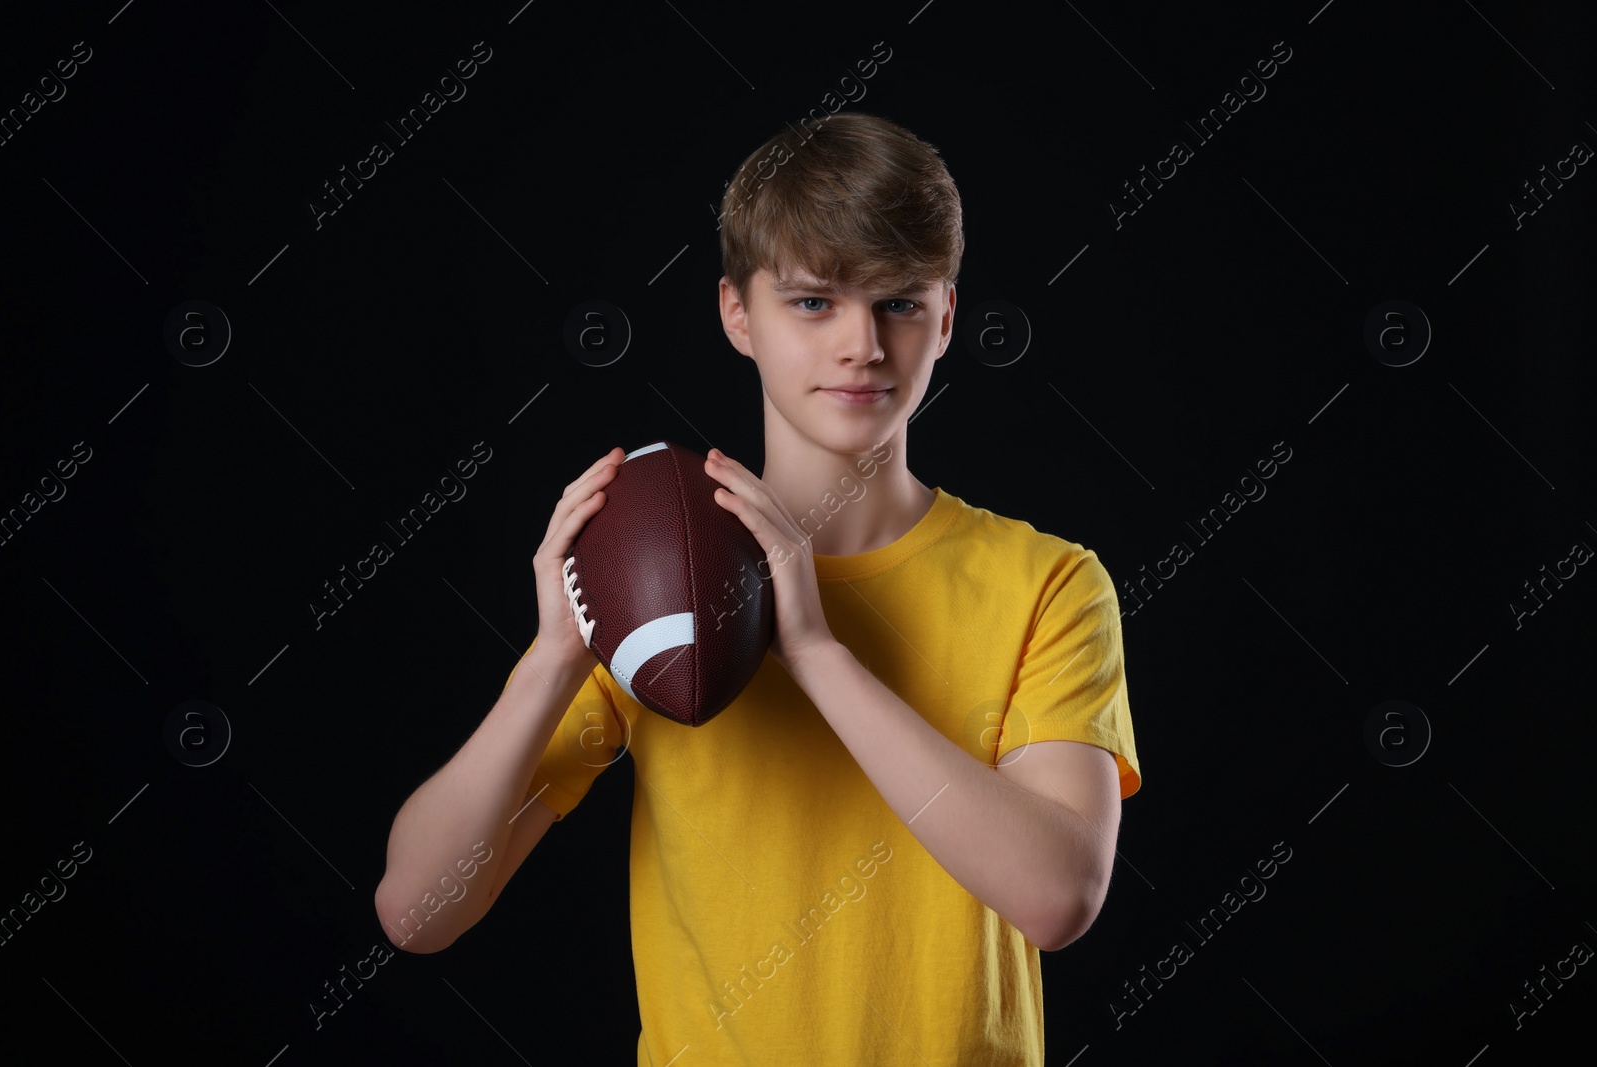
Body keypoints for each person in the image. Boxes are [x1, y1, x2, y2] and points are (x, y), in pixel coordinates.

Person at [375, 111, 1141, 1065]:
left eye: (898, 302)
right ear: (738, 314)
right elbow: (416, 913)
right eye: (814, 302)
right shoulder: (659, 581)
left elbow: (1058, 897)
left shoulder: (1050, 582)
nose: (862, 343)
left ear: (946, 317)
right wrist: (553, 657)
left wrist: (816, 653)